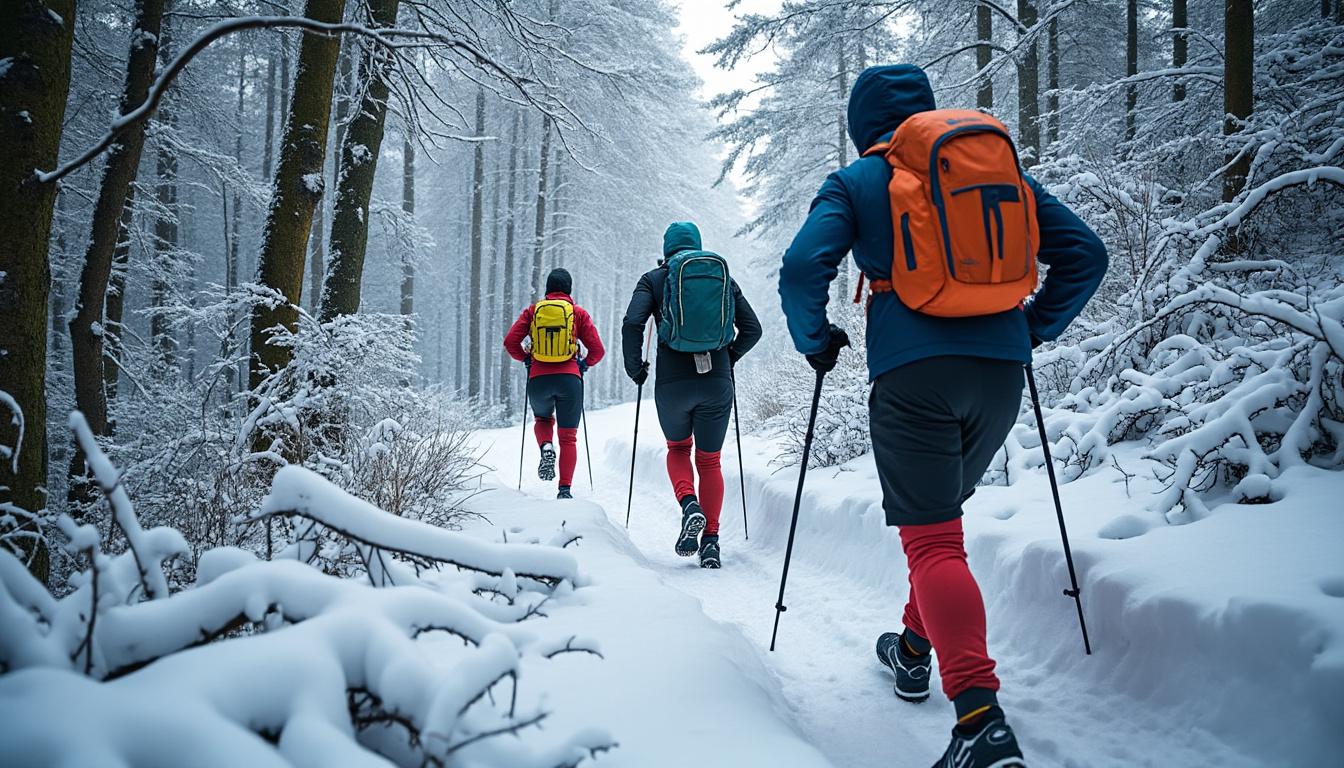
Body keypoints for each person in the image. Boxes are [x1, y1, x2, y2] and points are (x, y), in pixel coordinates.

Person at [778, 64, 1107, 767]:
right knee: (940, 528)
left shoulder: (859, 180)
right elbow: (1085, 253)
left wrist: (818, 341)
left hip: (913, 377)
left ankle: (979, 720)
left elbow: (804, 266)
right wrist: (1033, 328)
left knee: (933, 545)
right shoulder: (981, 165)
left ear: (861, 125)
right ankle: (913, 647)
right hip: (998, 379)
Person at [622, 222, 762, 568]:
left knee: (679, 449)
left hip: (673, 382)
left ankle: (689, 505)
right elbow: (753, 329)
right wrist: (728, 358)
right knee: (710, 461)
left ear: (667, 248)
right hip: (716, 380)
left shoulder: (654, 279)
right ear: (697, 245)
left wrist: (635, 366)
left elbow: (632, 322)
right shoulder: (721, 277)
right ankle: (711, 543)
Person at [504, 267, 605, 499]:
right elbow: (598, 350)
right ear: (569, 289)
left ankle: (546, 447)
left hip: (539, 379)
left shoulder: (532, 312)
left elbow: (510, 342)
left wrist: (527, 358)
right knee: (568, 437)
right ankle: (564, 490)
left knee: (542, 419)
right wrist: (583, 365)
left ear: (547, 289)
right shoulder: (577, 313)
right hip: (570, 380)